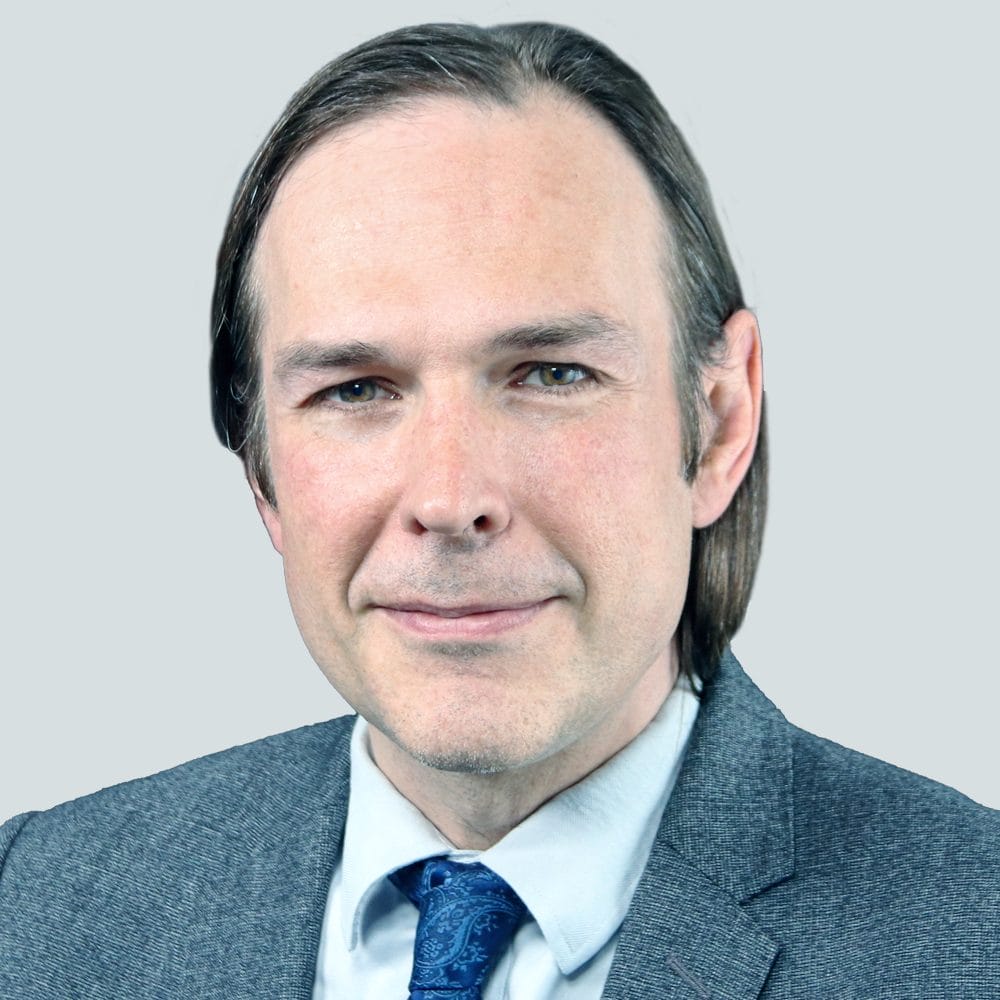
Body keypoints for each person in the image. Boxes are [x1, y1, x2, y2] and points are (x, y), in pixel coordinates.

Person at [1, 21, 996, 999]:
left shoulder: (970, 936)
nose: (451, 498)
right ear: (261, 471)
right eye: (355, 389)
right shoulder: (37, 909)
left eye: (552, 373)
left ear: (721, 423)